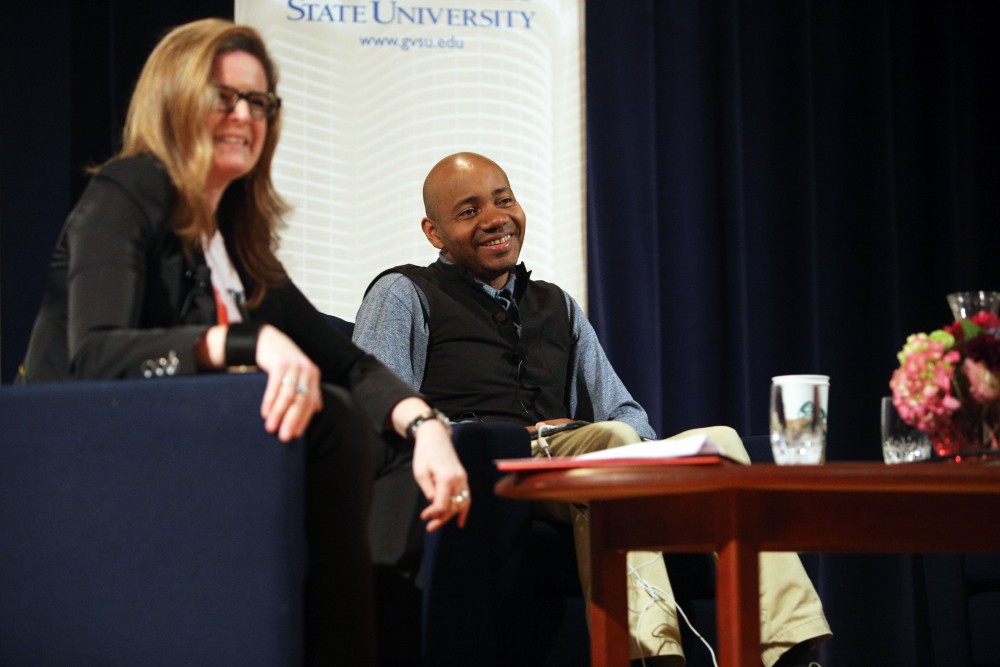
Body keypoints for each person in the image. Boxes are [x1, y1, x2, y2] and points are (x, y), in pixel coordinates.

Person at [17, 19, 469, 666]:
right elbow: (96, 352)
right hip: (88, 453)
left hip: (198, 449)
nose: (243, 116)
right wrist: (240, 343)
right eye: (223, 97)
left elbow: (347, 358)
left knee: (391, 443)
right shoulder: (129, 189)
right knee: (334, 422)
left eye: (258, 102)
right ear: (174, 98)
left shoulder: (236, 239)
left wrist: (426, 424)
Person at [353, 152, 832, 667]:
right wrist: (492, 436)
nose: (495, 219)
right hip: (488, 471)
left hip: (570, 462)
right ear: (434, 233)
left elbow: (628, 415)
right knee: (612, 446)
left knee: (722, 442)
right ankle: (649, 655)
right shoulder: (404, 292)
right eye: (468, 212)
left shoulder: (556, 305)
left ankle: (791, 649)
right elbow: (379, 408)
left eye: (503, 200)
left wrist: (583, 433)